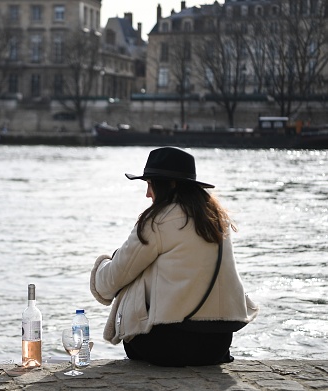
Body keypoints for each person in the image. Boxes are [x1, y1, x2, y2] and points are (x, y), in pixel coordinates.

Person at [90, 147, 258, 367]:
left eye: (150, 184)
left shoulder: (158, 221)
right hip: (217, 345)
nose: (147, 194)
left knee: (133, 272)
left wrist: (103, 263)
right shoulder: (216, 219)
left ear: (169, 185)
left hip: (169, 344)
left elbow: (112, 280)